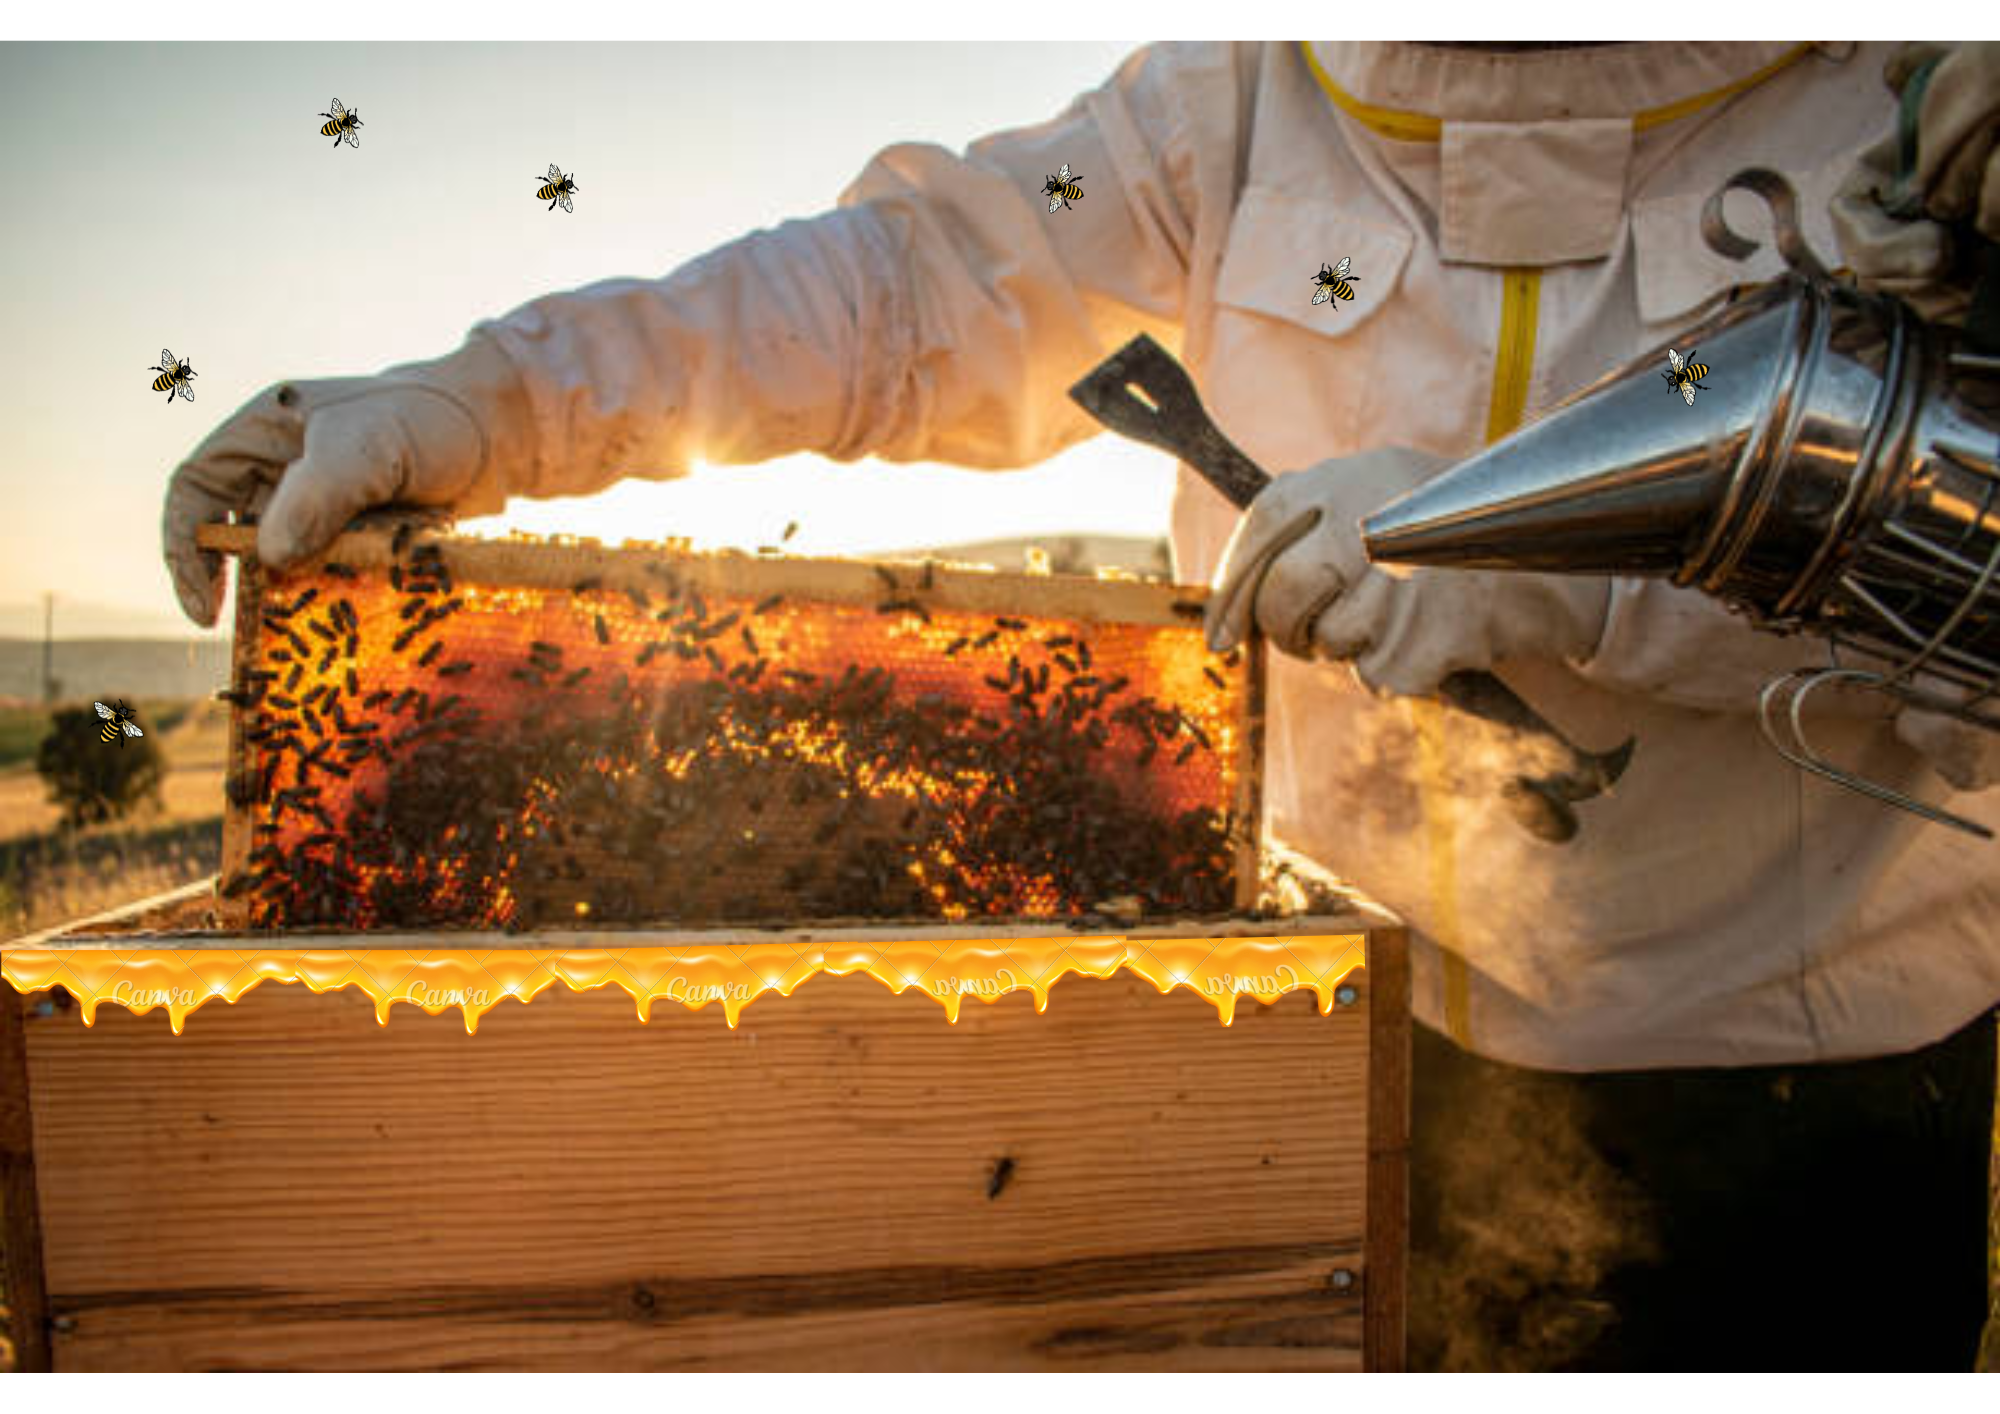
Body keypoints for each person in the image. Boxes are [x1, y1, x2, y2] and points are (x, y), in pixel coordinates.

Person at [162, 41, 2000, 1368]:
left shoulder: (1914, 113)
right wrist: (487, 402)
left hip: (1812, 1072)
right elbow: (906, 283)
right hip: (1344, 1048)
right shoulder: (1235, 115)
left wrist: (1548, 559)